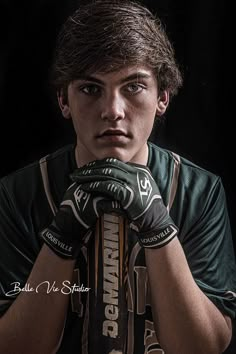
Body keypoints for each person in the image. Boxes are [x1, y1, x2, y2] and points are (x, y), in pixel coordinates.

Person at [0, 1, 235, 353]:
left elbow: (205, 348)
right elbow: (16, 347)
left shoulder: (199, 192)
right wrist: (62, 237)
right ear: (64, 100)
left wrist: (158, 227)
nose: (113, 110)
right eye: (91, 89)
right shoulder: (19, 193)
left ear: (163, 97)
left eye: (134, 86)